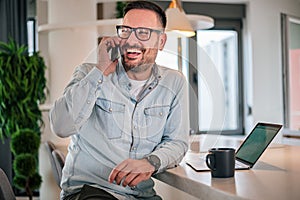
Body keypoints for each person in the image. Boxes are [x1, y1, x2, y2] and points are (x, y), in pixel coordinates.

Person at [49, 1, 189, 199]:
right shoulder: (89, 73)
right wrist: (100, 71)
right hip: (92, 193)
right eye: (126, 31)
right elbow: (61, 127)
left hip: (142, 196)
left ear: (161, 42)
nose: (132, 40)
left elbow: (177, 142)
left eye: (143, 33)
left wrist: (151, 161)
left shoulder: (174, 82)